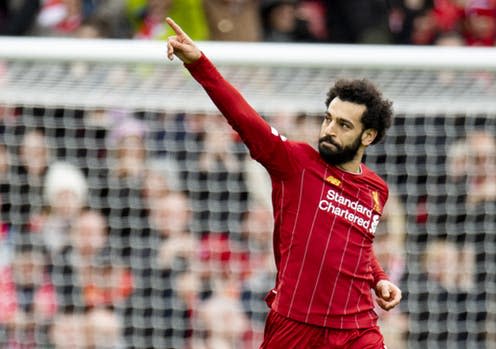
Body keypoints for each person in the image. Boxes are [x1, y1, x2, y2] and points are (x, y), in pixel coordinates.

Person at [166, 17, 402, 348]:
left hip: (357, 328)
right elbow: (244, 118)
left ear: (369, 135)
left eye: (343, 125)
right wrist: (199, 64)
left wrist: (380, 279)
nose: (330, 129)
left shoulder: (377, 189)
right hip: (295, 324)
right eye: (328, 118)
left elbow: (358, 243)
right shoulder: (295, 163)